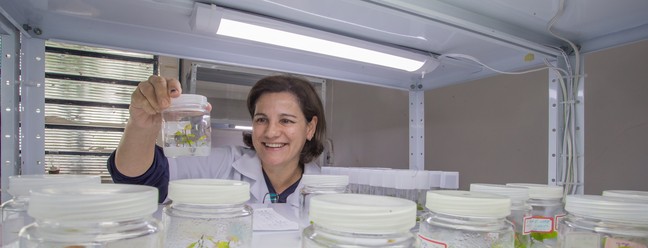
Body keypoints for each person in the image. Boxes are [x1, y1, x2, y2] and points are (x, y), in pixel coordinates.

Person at [107, 74, 326, 207]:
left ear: (310, 127)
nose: (270, 132)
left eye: (286, 121)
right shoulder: (225, 163)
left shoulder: (326, 190)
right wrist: (141, 125)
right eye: (261, 119)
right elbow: (142, 180)